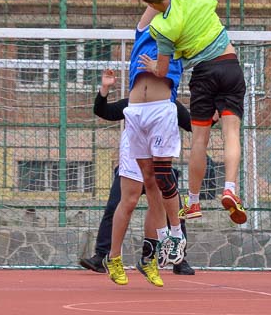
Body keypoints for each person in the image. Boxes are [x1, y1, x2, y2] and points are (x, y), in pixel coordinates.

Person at [138, 0, 247, 225]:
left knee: (200, 140)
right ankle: (231, 189)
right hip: (230, 64)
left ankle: (195, 201)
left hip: (203, 73)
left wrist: (151, 66)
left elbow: (162, 70)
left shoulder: (162, 26)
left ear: (152, 4)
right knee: (231, 132)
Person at [103, 0, 192, 286]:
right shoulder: (145, 28)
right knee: (130, 194)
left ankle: (155, 251)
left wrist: (159, 68)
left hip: (160, 111)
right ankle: (112, 258)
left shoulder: (179, 39)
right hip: (134, 114)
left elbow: (181, 9)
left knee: (158, 183)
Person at [78, 88, 195, 276]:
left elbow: (192, 124)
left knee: (173, 209)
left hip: (159, 166)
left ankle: (179, 258)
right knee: (115, 207)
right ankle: (102, 256)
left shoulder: (170, 106)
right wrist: (104, 91)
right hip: (133, 165)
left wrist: (209, 115)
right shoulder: (133, 104)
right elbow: (103, 111)